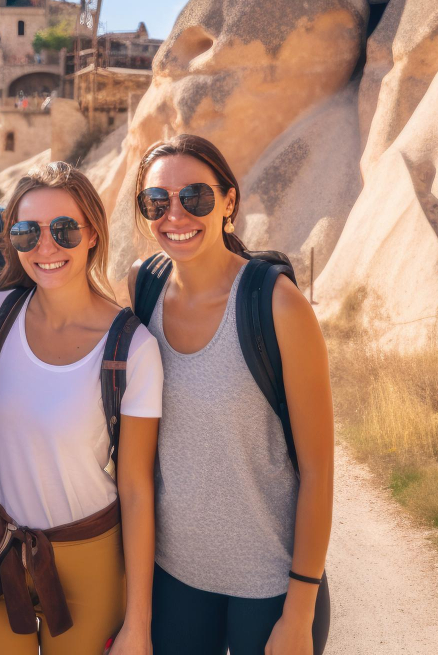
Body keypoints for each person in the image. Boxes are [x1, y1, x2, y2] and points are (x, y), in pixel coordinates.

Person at [0, 161, 162, 655]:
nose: (46, 247)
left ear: (93, 234)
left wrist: (139, 624)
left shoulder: (133, 347)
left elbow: (136, 489)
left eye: (64, 230)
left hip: (88, 554)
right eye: (27, 232)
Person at [128, 134, 333, 655]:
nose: (175, 214)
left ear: (228, 202)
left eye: (195, 196)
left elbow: (318, 472)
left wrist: (299, 612)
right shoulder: (143, 287)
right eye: (156, 201)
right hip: (174, 578)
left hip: (270, 583)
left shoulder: (278, 304)